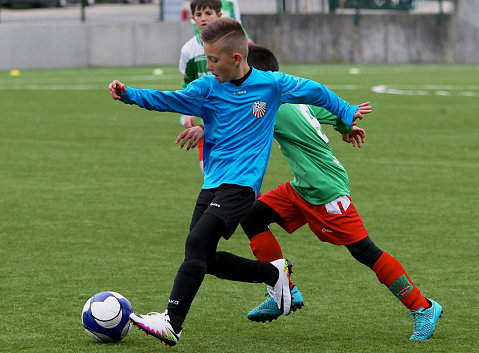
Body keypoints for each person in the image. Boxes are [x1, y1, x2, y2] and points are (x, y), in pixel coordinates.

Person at [109, 18, 370, 347]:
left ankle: (171, 321)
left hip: (242, 185)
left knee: (196, 245)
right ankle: (273, 274)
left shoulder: (271, 85)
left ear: (236, 58)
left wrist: (345, 113)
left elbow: (315, 91)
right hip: (213, 182)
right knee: (206, 258)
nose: (208, 65)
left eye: (213, 60)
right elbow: (169, 99)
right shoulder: (206, 88)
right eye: (206, 59)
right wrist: (129, 94)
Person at [238, 44, 442, 341]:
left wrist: (205, 130)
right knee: (252, 217)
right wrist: (345, 124)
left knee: (365, 252)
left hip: (326, 190)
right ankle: (285, 290)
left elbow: (243, 124)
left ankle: (423, 307)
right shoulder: (290, 96)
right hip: (303, 187)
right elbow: (321, 107)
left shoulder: (269, 103)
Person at [180, 0, 252, 172]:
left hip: (235, 119)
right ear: (193, 18)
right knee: (209, 173)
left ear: (219, 16)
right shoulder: (188, 50)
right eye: (199, 14)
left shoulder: (232, 45)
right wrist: (187, 111)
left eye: (208, 13)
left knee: (241, 176)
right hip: (208, 121)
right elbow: (187, 81)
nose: (203, 19)